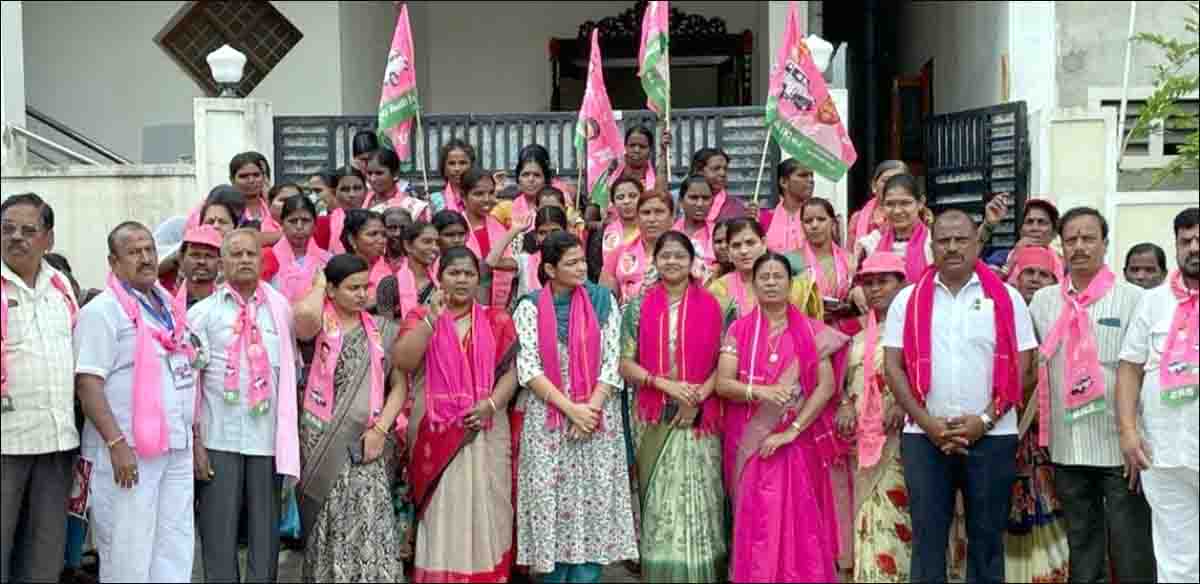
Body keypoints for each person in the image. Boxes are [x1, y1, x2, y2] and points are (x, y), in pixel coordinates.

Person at [882, 209, 1038, 584]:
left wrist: (983, 420)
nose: (952, 247)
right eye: (944, 240)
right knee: (927, 541)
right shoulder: (907, 300)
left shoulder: (1007, 298)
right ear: (931, 246)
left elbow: (1023, 370)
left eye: (961, 239)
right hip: (924, 438)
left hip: (992, 436)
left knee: (987, 542)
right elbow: (893, 367)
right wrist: (928, 424)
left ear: (976, 243)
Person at [1028, 206, 1154, 584]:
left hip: (1121, 444)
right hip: (1068, 443)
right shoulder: (1044, 301)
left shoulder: (1134, 299)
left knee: (1129, 543)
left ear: (1105, 243)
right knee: (1082, 542)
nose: (1080, 246)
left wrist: (1138, 435)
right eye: (1071, 240)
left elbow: (1144, 370)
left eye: (1088, 238)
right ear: (1061, 246)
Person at [74, 222, 199, 583]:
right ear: (113, 262)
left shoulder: (168, 306)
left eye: (149, 250)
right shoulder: (102, 312)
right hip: (128, 452)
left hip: (175, 446)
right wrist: (116, 444)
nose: (145, 258)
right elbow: (88, 383)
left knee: (174, 545)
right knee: (128, 552)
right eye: (133, 252)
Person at [715, 251, 849, 582]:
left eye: (778, 277)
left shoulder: (812, 331)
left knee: (799, 521)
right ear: (753, 285)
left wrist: (793, 430)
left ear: (791, 284)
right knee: (756, 520)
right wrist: (760, 392)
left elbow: (826, 387)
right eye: (764, 277)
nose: (771, 283)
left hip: (796, 444)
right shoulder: (739, 330)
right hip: (750, 441)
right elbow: (723, 383)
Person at [512, 231, 638, 582]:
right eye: (572, 263)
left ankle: (587, 577)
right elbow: (529, 368)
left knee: (594, 500)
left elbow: (613, 360)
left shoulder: (602, 301)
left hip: (598, 418)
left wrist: (590, 411)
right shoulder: (529, 307)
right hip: (550, 418)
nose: (582, 268)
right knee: (551, 500)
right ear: (550, 269)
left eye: (582, 260)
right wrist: (572, 410)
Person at [837, 252, 967, 582]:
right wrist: (845, 404)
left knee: (911, 514)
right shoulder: (854, 334)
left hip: (910, 435)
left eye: (883, 281)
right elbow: (842, 383)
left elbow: (937, 376)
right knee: (869, 513)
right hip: (865, 441)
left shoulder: (922, 328)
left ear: (903, 284)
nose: (875, 289)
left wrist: (905, 404)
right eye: (869, 283)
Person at [393, 246, 520, 583]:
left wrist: (490, 404)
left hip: (486, 427)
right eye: (453, 273)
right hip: (434, 431)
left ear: (478, 279)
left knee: (488, 505)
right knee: (442, 509)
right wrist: (432, 321)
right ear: (440, 277)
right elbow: (403, 361)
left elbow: (512, 374)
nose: (461, 280)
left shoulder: (497, 320)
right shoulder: (420, 316)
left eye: (468, 273)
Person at [188, 229, 300, 584]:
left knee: (265, 532)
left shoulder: (281, 309)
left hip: (267, 438)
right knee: (217, 530)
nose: (245, 260)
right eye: (235, 254)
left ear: (262, 260)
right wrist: (195, 443)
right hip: (217, 436)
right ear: (222, 263)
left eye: (251, 253)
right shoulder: (202, 314)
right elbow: (190, 383)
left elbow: (293, 372)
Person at [618, 232, 729, 582]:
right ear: (655, 261)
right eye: (665, 255)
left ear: (692, 260)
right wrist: (666, 385)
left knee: (703, 498)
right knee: (659, 502)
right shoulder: (637, 307)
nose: (672, 262)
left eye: (680, 255)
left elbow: (726, 363)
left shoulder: (716, 305)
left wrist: (695, 398)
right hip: (654, 416)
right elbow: (625, 364)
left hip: (701, 417)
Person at [293, 254, 407, 583]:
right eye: (351, 288)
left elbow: (399, 386)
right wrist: (318, 286)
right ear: (331, 289)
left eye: (364, 287)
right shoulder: (317, 328)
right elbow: (303, 316)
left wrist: (380, 430)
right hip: (320, 442)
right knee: (327, 521)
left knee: (368, 517)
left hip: (367, 442)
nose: (361, 294)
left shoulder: (382, 331)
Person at [1117, 207, 1200, 584]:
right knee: (1175, 556)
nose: (1194, 247)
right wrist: (1128, 432)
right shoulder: (1153, 301)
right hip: (1163, 452)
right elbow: (1130, 367)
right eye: (1186, 241)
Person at [1, 194, 79, 584]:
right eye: (7, 229)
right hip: (6, 443)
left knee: (44, 554)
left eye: (28, 230)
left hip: (56, 442)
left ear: (48, 239)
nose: (17, 237)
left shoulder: (60, 285)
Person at [1002, 247, 1069, 583]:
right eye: (1029, 272)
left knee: (1050, 507)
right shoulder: (1001, 314)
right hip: (1006, 430)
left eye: (1044, 275)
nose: (1035, 280)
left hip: (1049, 437)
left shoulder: (1064, 316)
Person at [707, 218, 824, 325]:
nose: (743, 251)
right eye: (736, 245)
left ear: (763, 244)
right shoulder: (718, 289)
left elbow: (809, 330)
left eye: (750, 243)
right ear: (728, 252)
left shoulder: (795, 286)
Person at [601, 189, 675, 304]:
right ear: (637, 218)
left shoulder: (686, 251)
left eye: (659, 212)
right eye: (646, 213)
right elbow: (604, 299)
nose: (652, 219)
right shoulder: (619, 252)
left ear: (671, 218)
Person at [855, 174, 932, 282]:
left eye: (905, 203)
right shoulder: (871, 243)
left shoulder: (932, 242)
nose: (897, 211)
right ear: (882, 206)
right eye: (890, 204)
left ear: (920, 203)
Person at [460, 167, 518, 308]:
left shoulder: (500, 227)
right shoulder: (455, 229)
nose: (487, 199)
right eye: (479, 194)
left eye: (491, 193)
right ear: (463, 196)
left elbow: (516, 265)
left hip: (499, 306)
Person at [793, 197, 855, 319]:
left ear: (833, 223)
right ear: (802, 225)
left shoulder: (849, 259)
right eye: (808, 221)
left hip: (844, 325)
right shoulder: (791, 260)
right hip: (806, 326)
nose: (814, 225)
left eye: (821, 219)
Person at [262, 195, 332, 302]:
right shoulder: (267, 259)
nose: (299, 226)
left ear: (315, 225)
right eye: (293, 221)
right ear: (282, 224)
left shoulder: (327, 260)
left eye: (305, 220)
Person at [496, 206, 568, 306]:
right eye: (542, 233)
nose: (549, 237)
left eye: (555, 231)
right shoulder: (525, 261)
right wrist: (515, 230)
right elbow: (492, 261)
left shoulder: (574, 262)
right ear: (535, 236)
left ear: (565, 232)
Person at [983, 197, 1064, 279]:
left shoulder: (1063, 264)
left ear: (1054, 233)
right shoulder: (1001, 257)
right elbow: (986, 283)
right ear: (1021, 231)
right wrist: (1012, 261)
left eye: (1042, 222)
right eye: (1029, 222)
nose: (1034, 228)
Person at [337, 209, 398, 317]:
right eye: (373, 234)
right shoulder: (338, 271)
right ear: (352, 239)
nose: (382, 240)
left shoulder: (393, 268)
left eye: (383, 235)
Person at [847, 160, 910, 251]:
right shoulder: (857, 218)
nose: (891, 185)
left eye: (898, 180)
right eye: (885, 180)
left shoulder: (916, 216)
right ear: (874, 186)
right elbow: (849, 255)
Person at [384, 221, 440, 321]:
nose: (435, 248)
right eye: (427, 242)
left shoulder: (440, 282)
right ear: (408, 246)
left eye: (437, 243)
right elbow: (384, 325)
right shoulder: (390, 284)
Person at [762, 159, 816, 254]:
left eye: (811, 176)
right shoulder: (765, 218)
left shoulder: (819, 217)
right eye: (803, 175)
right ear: (783, 182)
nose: (811, 180)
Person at [672, 175, 719, 282]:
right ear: (680, 201)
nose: (700, 204)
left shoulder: (719, 234)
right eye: (693, 198)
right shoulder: (670, 234)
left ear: (712, 202)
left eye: (705, 198)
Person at [493, 148, 552, 231]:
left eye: (537, 175)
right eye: (525, 175)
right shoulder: (504, 209)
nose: (531, 179)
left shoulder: (558, 207)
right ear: (518, 179)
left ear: (545, 180)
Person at [313, 167, 369, 254]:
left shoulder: (376, 221)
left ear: (366, 191)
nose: (352, 194)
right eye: (345, 189)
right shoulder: (322, 224)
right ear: (334, 192)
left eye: (357, 188)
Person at [364, 148, 427, 221]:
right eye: (369, 173)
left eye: (379, 173)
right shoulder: (361, 199)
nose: (373, 179)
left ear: (395, 173)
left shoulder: (413, 206)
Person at [230, 152, 281, 238]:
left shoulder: (275, 208)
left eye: (256, 175)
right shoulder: (224, 208)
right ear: (232, 180)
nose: (251, 180)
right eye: (243, 176)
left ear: (264, 177)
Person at [690, 148, 746, 222]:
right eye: (716, 168)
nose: (723, 173)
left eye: (725, 169)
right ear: (698, 171)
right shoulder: (680, 202)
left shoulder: (737, 206)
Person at [176, 226, 223, 309]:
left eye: (209, 256)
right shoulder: (166, 302)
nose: (202, 261)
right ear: (181, 260)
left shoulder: (230, 304)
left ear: (220, 264)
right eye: (195, 255)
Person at [601, 178, 644, 266]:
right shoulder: (605, 233)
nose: (626, 201)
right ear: (613, 203)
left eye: (633, 196)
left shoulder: (651, 229)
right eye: (620, 197)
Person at [430, 139, 476, 213]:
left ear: (471, 166)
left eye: (462, 163)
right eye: (452, 163)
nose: (457, 168)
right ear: (444, 168)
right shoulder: (433, 201)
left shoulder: (482, 198)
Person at [616, 125, 658, 192]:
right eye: (632, 145)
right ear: (625, 147)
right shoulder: (611, 175)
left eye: (642, 146)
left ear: (650, 149)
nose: (637, 150)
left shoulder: (657, 179)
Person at [382, 207, 415, 271]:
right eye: (392, 228)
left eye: (403, 228)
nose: (398, 233)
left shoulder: (420, 259)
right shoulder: (374, 259)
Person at [710, 220, 735, 285]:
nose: (723, 246)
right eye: (718, 241)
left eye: (728, 241)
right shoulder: (706, 274)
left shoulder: (751, 273)